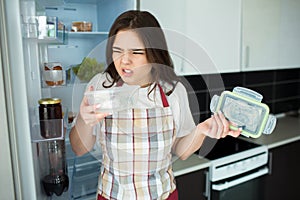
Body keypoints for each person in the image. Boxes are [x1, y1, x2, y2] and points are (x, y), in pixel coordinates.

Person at [69, 10, 241, 200]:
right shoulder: (101, 85)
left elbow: (181, 151)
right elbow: (79, 148)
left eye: (136, 52)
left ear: (153, 53)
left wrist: (201, 130)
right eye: (117, 50)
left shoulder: (172, 91)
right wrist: (84, 120)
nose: (124, 60)